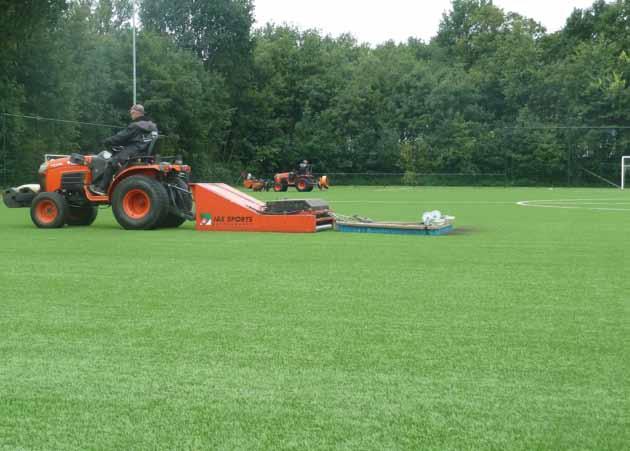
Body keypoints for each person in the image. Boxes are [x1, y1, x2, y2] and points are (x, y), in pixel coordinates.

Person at [89, 104, 158, 195]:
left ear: (136, 112)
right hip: (144, 152)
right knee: (117, 158)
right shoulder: (153, 126)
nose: (131, 115)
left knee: (112, 163)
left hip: (135, 152)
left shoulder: (136, 126)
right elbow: (136, 139)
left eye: (132, 113)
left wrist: (107, 141)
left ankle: (101, 189)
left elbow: (121, 137)